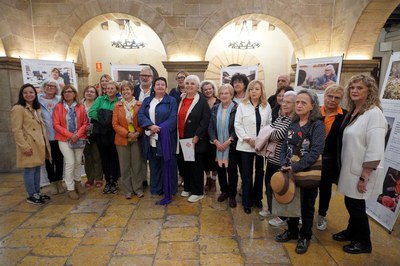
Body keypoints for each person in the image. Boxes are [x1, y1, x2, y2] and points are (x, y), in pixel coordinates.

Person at [333, 75, 387, 254]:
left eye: (360, 88)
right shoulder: (355, 110)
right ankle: (352, 231)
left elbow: (375, 148)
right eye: (352, 87)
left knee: (356, 205)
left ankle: (364, 242)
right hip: (351, 168)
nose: (354, 90)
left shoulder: (374, 114)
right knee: (351, 202)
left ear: (369, 91)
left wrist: (365, 176)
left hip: (362, 171)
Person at [274, 89, 325, 255]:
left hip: (308, 171)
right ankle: (292, 231)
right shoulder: (293, 122)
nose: (299, 105)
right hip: (290, 169)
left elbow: (315, 151)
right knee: (292, 202)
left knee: (307, 206)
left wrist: (295, 167)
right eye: (298, 102)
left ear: (312, 106)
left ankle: (305, 236)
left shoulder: (317, 124)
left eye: (304, 102)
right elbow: (284, 146)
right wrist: (283, 163)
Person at [234, 80, 272, 214]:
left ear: (261, 91)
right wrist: (248, 139)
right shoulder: (242, 106)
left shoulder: (266, 106)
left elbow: (269, 124)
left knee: (260, 172)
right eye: (251, 89)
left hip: (261, 145)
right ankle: (247, 202)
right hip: (246, 145)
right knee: (247, 174)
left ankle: (257, 199)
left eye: (257, 89)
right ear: (248, 92)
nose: (254, 91)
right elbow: (237, 124)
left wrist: (261, 140)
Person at [138, 77, 178, 203]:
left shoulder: (171, 101)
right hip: (151, 137)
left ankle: (170, 189)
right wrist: (150, 126)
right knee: (154, 164)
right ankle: (156, 188)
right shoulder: (147, 100)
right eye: (157, 84)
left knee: (168, 164)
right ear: (154, 87)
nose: (160, 86)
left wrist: (159, 128)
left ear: (166, 87)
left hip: (166, 139)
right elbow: (140, 115)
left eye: (162, 84)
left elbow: (173, 117)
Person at [11, 84, 52, 204]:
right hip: (28, 144)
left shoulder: (34, 108)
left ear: (35, 94)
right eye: (25, 93)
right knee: (29, 170)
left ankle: (37, 192)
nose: (29, 95)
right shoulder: (18, 108)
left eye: (31, 92)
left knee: (37, 168)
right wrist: (24, 147)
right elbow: (16, 130)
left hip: (38, 144)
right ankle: (31, 194)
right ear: (21, 95)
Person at [259, 91, 296, 222]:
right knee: (269, 184)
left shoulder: (293, 120)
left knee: (281, 187)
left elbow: (277, 135)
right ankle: (270, 208)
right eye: (283, 101)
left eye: (288, 102)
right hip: (272, 158)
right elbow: (270, 130)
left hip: (282, 160)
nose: (284, 104)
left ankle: (282, 215)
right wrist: (269, 132)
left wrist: (268, 133)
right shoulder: (282, 117)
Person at [316, 84, 347, 231]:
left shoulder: (345, 116)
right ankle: (304, 213)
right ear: (325, 96)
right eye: (330, 96)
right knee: (308, 185)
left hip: (330, 159)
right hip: (313, 156)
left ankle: (322, 215)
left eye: (337, 98)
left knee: (325, 189)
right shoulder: (315, 112)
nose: (333, 100)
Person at [178, 75, 211, 203]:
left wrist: (198, 135)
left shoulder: (201, 101)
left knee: (196, 165)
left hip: (195, 139)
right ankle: (187, 187)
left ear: (197, 86)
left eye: (192, 83)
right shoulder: (181, 99)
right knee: (185, 164)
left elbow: (205, 120)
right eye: (187, 83)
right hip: (181, 137)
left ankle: (198, 192)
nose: (189, 85)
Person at [53, 85, 88, 200]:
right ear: (62, 95)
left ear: (74, 93)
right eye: (65, 92)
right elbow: (56, 125)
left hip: (79, 138)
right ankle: (70, 188)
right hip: (64, 139)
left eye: (70, 91)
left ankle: (78, 183)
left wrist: (77, 135)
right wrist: (70, 135)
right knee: (70, 162)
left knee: (78, 162)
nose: (67, 94)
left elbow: (85, 123)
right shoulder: (58, 107)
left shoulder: (80, 106)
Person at [208, 84, 239, 208]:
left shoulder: (237, 108)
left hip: (231, 145)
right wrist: (215, 141)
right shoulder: (215, 108)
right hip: (217, 145)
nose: (224, 95)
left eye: (226, 93)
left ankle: (232, 195)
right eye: (221, 93)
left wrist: (228, 141)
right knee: (220, 170)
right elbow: (210, 126)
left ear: (231, 95)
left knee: (232, 171)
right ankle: (224, 191)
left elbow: (238, 126)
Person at [112, 81, 144, 199]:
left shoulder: (139, 105)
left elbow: (143, 121)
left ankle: (138, 189)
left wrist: (137, 132)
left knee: (137, 165)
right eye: (123, 90)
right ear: (121, 92)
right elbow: (115, 124)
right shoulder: (117, 106)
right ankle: (127, 190)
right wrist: (127, 134)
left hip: (136, 138)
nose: (126, 92)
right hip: (122, 140)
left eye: (128, 89)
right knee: (124, 166)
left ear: (132, 91)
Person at [89, 81, 120, 194]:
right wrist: (106, 120)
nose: (110, 90)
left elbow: (121, 115)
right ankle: (107, 181)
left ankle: (115, 181)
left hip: (114, 132)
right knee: (104, 158)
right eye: (108, 88)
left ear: (117, 90)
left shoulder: (119, 101)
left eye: (113, 88)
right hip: (101, 133)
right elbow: (92, 112)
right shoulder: (100, 100)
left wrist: (107, 117)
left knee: (114, 158)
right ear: (105, 90)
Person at [38, 79, 65, 195]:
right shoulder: (37, 99)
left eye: (53, 86)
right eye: (48, 85)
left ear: (56, 89)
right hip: (45, 136)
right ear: (44, 86)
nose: (50, 87)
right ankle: (53, 183)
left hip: (59, 135)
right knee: (48, 161)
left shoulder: (59, 100)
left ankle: (59, 182)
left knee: (59, 160)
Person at [133, 66, 154, 187]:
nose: (144, 78)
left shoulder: (155, 90)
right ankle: (142, 179)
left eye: (147, 76)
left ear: (152, 78)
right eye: (142, 76)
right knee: (139, 155)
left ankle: (154, 178)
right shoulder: (134, 90)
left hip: (151, 127)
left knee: (151, 153)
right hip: (135, 126)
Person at [82, 85, 103, 188]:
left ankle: (99, 178)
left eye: (92, 92)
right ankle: (90, 178)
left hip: (95, 134)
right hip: (82, 135)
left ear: (96, 95)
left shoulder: (98, 104)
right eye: (87, 91)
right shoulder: (79, 104)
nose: (89, 93)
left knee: (97, 156)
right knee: (87, 157)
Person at [200, 80, 220, 193]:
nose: (208, 91)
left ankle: (213, 180)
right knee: (205, 158)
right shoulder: (201, 101)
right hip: (203, 135)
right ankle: (207, 179)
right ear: (202, 91)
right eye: (205, 89)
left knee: (214, 159)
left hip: (216, 134)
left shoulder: (219, 101)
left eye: (210, 89)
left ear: (213, 89)